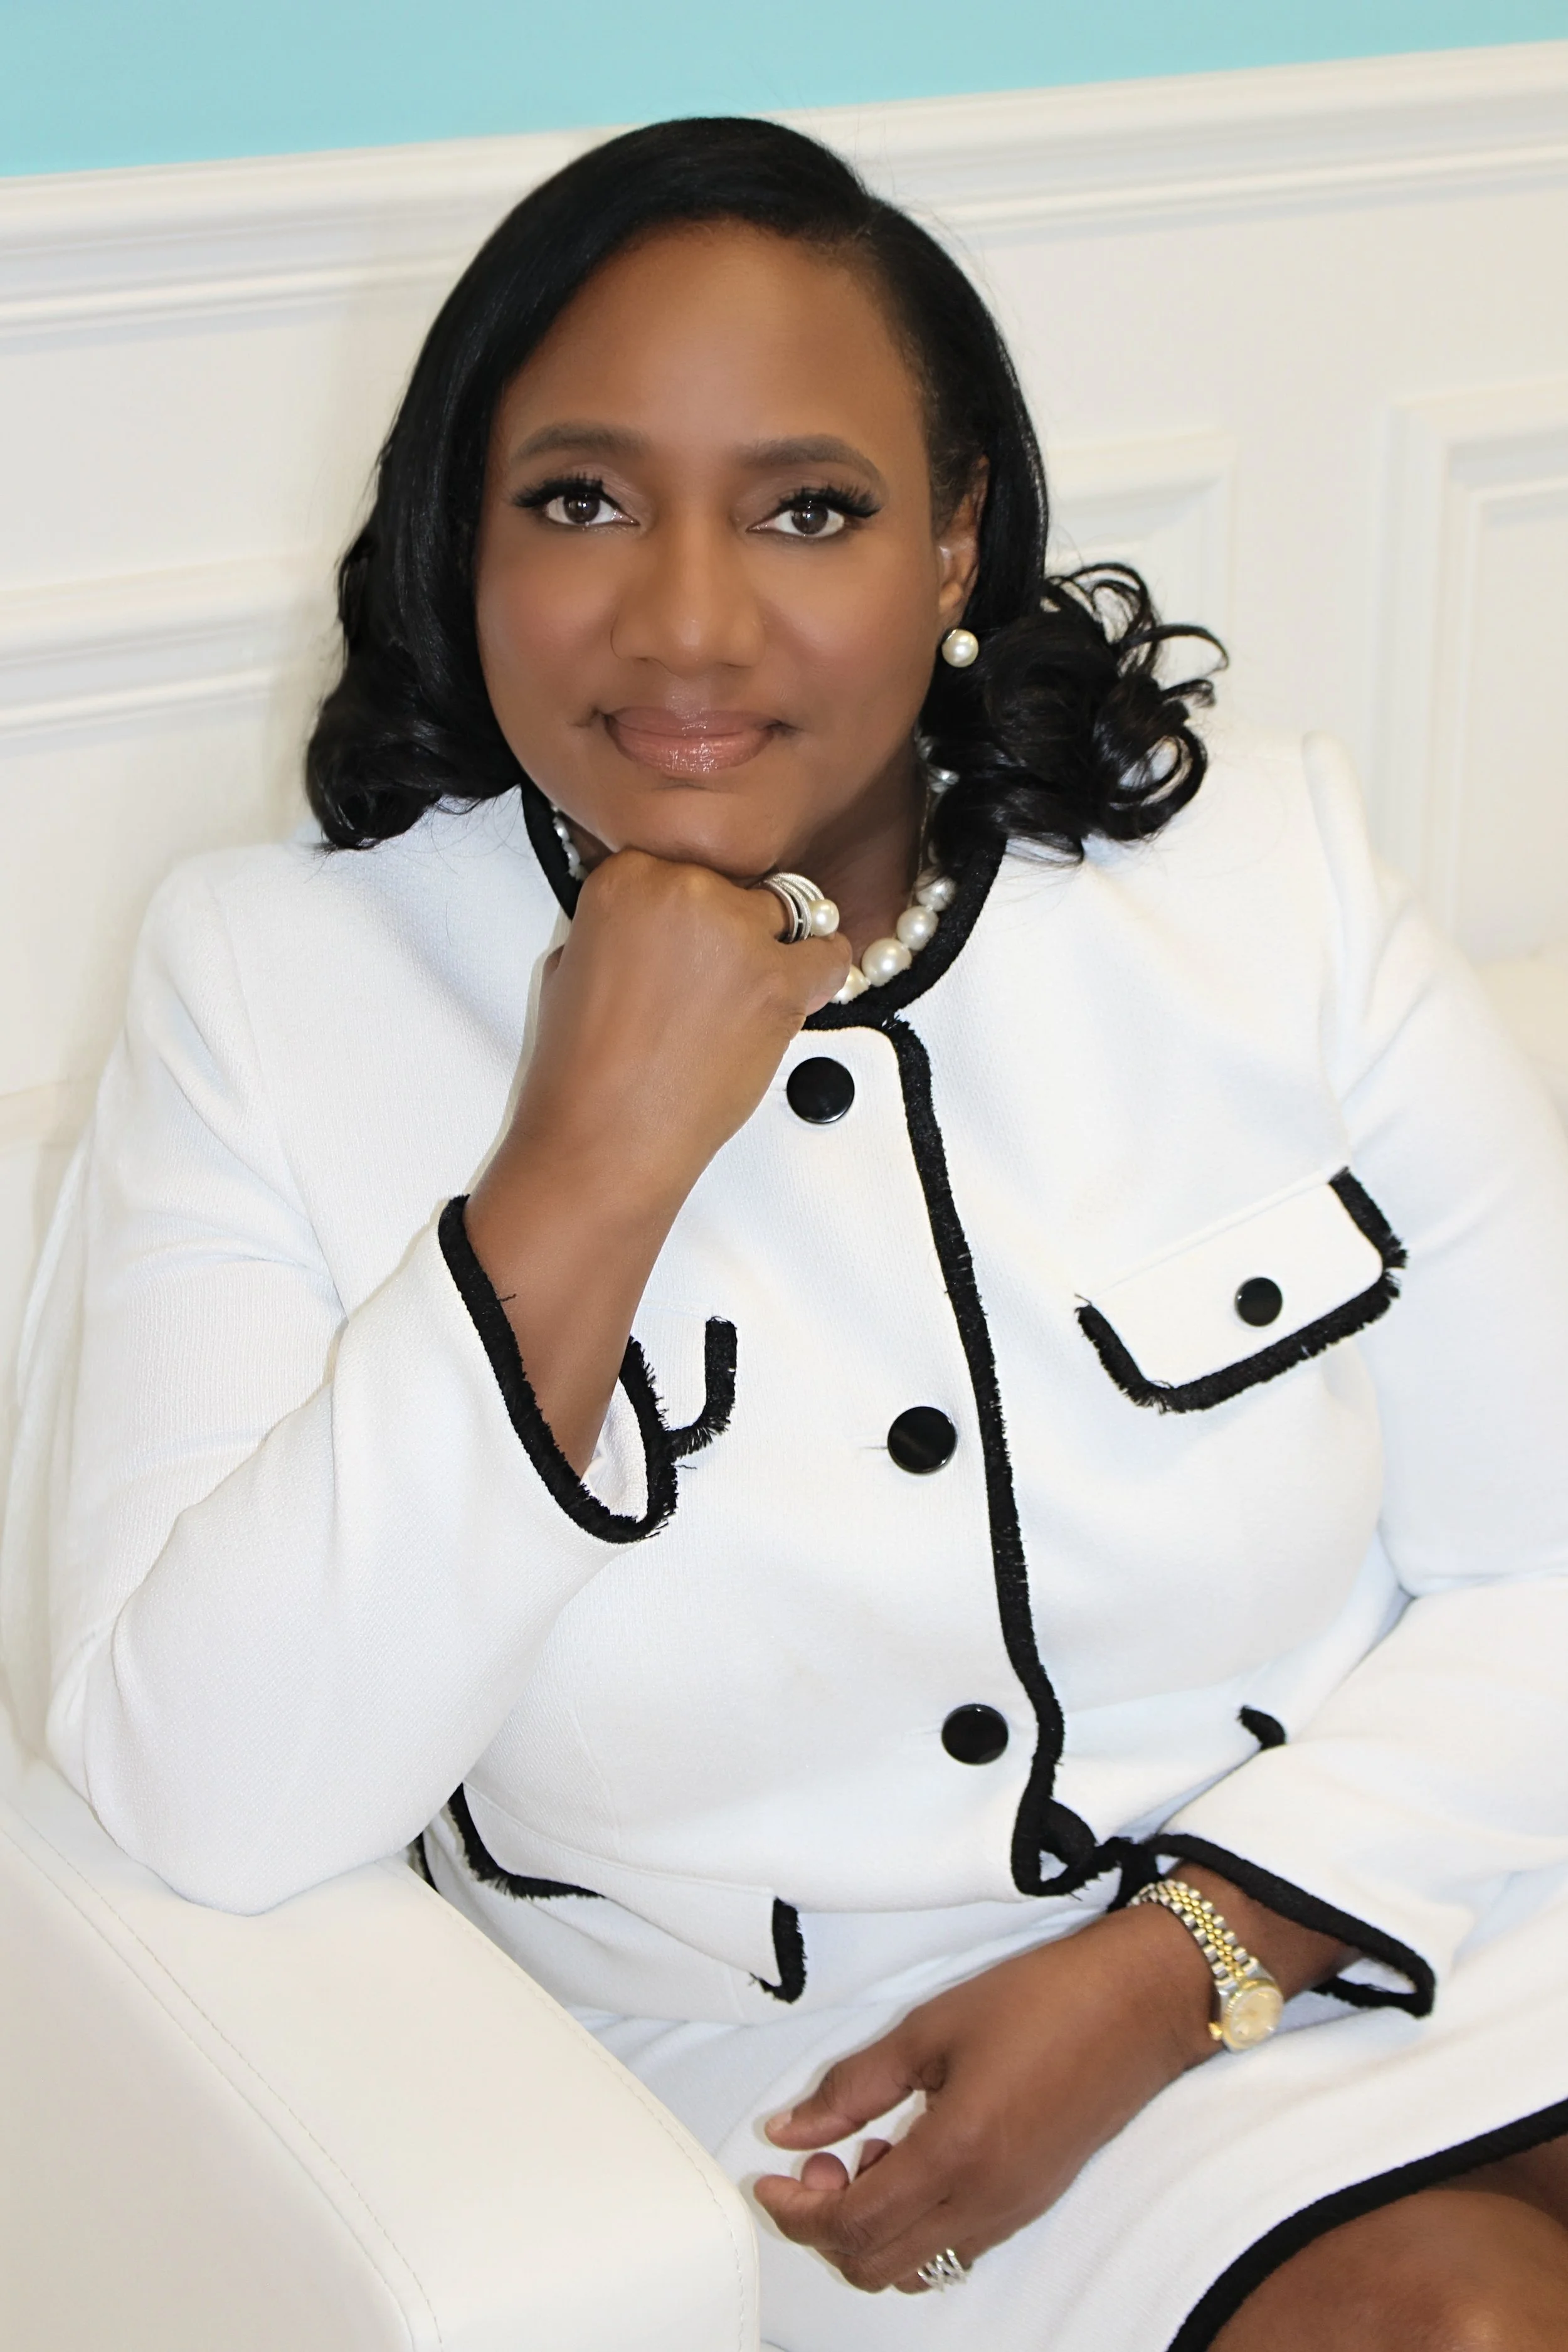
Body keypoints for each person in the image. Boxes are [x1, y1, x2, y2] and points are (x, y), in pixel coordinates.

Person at [6, 115, 1568, 2351]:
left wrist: (1184, 1961)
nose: (688, 622)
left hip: (1404, 1891)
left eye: (808, 509)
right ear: (463, 539)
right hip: (857, 2100)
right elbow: (205, 1795)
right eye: (580, 500)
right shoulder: (276, 990)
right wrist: (588, 1164)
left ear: (954, 547)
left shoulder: (1256, 886)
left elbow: (1542, 1560)